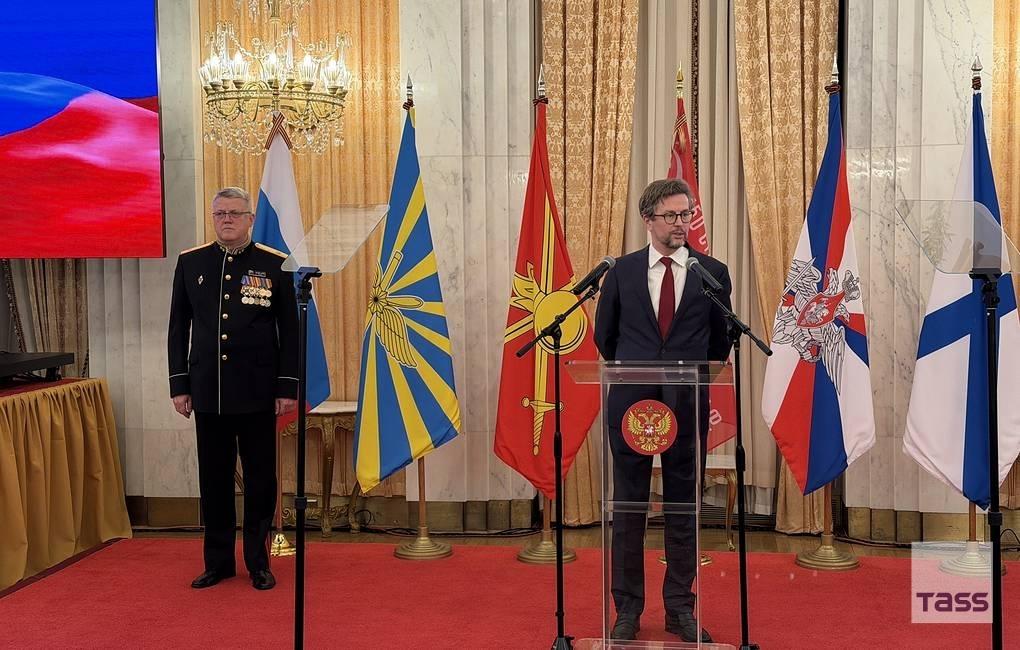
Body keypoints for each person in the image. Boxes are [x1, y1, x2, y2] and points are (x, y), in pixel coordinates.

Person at [594, 178, 732, 643]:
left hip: (687, 405)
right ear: (648, 219)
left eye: (686, 214)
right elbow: (605, 338)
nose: (681, 223)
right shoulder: (622, 272)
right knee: (629, 507)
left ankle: (679, 608)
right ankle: (627, 609)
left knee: (683, 507)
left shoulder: (711, 273)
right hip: (632, 407)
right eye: (671, 215)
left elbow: (719, 342)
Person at [168, 186, 298, 591]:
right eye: (220, 213)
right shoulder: (191, 262)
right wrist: (179, 384)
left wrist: (287, 386)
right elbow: (178, 327)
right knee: (214, 481)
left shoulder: (274, 264)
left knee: (260, 481)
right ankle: (218, 563)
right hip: (208, 389)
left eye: (235, 213)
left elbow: (290, 331)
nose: (226, 219)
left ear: (250, 219)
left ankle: (258, 562)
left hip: (258, 390)